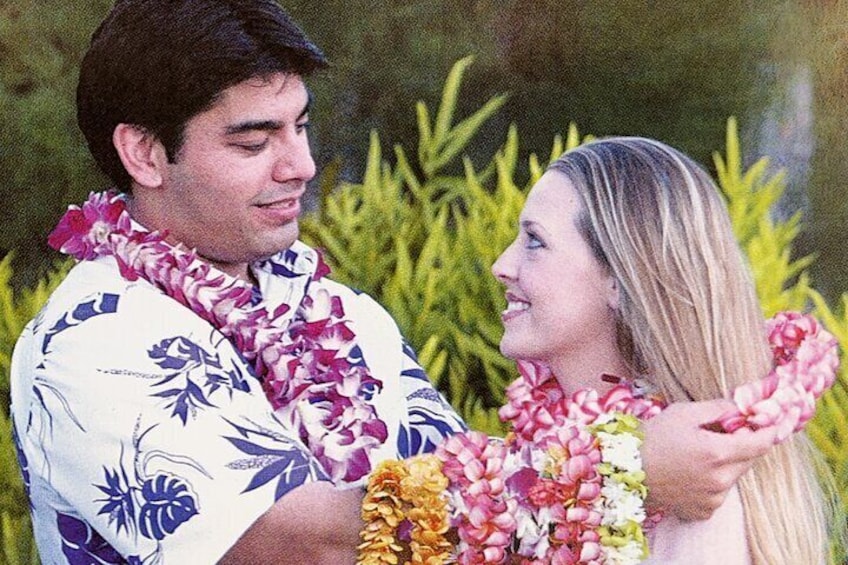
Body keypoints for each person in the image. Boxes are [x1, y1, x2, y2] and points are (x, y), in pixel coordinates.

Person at [8, 1, 781, 563]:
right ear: (144, 154)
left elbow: (467, 505)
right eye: (254, 140)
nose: (300, 166)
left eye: (301, 126)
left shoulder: (344, 313)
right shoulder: (92, 343)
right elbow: (303, 540)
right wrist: (619, 471)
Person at [492, 136, 838, 563]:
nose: (501, 266)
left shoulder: (690, 499)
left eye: (535, 241)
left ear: (619, 279)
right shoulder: (567, 451)